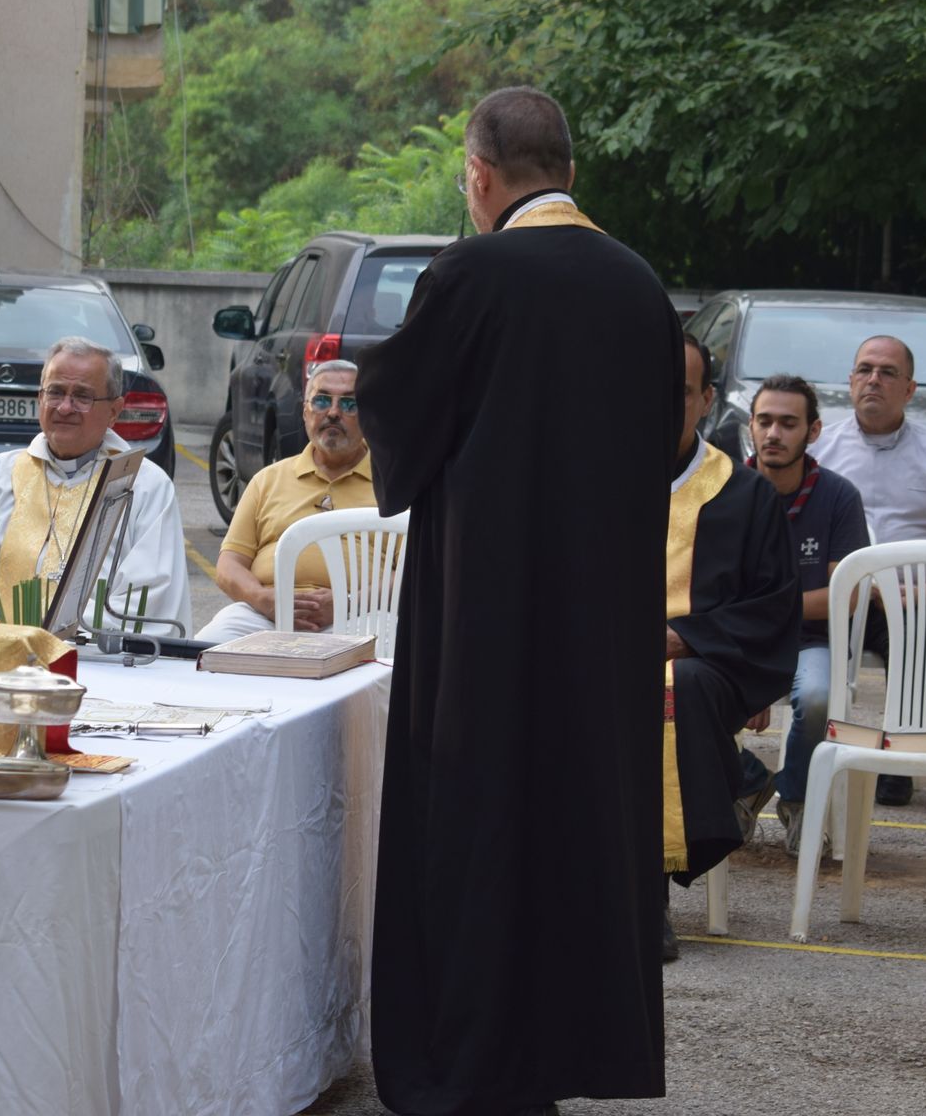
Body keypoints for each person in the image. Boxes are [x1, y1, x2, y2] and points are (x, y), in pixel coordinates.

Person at [358, 85, 682, 1115]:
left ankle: (471, 1059)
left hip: (485, 613)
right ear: (571, 173)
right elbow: (666, 444)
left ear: (480, 177)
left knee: (478, 815)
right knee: (583, 814)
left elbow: (397, 410)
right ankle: (573, 1051)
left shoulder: (470, 273)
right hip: (603, 616)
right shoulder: (639, 284)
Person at [659, 337, 799, 962]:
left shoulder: (745, 495)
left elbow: (773, 605)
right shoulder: (593, 484)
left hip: (702, 666)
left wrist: (684, 637)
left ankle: (647, 893)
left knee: (673, 691)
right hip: (599, 659)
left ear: (706, 400)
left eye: (681, 392)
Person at [809, 334, 926, 805]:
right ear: (850, 381)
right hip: (836, 597)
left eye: (888, 373)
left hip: (912, 602)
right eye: (865, 370)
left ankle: (898, 761)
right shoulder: (819, 449)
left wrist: (920, 595)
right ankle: (810, 758)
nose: (874, 380)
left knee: (919, 633)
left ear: (909, 389)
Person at [0, 335, 192, 633]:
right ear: (40, 399)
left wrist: (56, 635)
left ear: (114, 411)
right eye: (55, 392)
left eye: (82, 397)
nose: (65, 407)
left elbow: (150, 595)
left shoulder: (144, 486)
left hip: (95, 654)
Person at [745, 374, 870, 852]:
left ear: (813, 431)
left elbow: (844, 596)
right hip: (737, 639)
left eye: (788, 423)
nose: (774, 433)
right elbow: (710, 592)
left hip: (810, 640)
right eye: (764, 421)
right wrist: (750, 667)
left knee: (817, 697)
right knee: (682, 694)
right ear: (750, 426)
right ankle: (746, 782)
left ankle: (797, 799)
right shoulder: (726, 489)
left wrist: (767, 609)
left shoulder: (838, 496)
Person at [195, 359, 374, 642]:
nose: (333, 412)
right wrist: (263, 598)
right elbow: (229, 565)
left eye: (349, 404)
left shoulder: (391, 487)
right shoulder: (268, 480)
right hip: (265, 615)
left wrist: (348, 602)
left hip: (361, 616)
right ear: (305, 412)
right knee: (206, 648)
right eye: (321, 401)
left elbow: (409, 573)